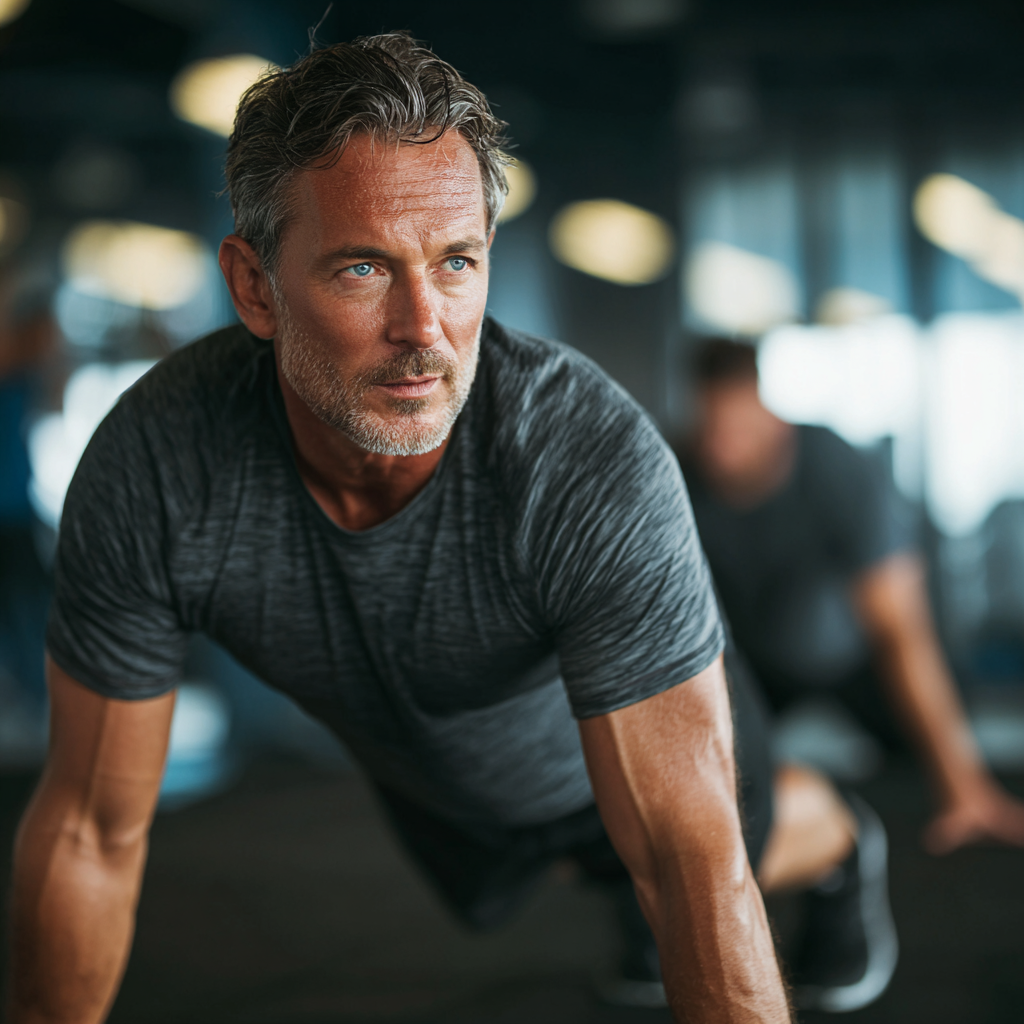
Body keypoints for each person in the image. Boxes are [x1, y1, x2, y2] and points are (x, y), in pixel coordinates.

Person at [12, 35, 874, 1024]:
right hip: (453, 782)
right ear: (254, 287)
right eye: (363, 268)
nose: (423, 325)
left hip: (652, 747)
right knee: (568, 870)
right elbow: (86, 829)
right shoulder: (158, 468)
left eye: (456, 260)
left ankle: (847, 839)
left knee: (717, 851)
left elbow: (692, 865)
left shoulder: (579, 460)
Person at [683, 337, 1024, 856]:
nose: (722, 449)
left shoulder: (836, 469)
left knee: (923, 754)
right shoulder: (675, 473)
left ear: (770, 416)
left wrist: (963, 786)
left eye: (737, 431)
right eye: (712, 432)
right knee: (704, 760)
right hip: (753, 666)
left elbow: (900, 630)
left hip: (854, 659)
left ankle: (954, 806)